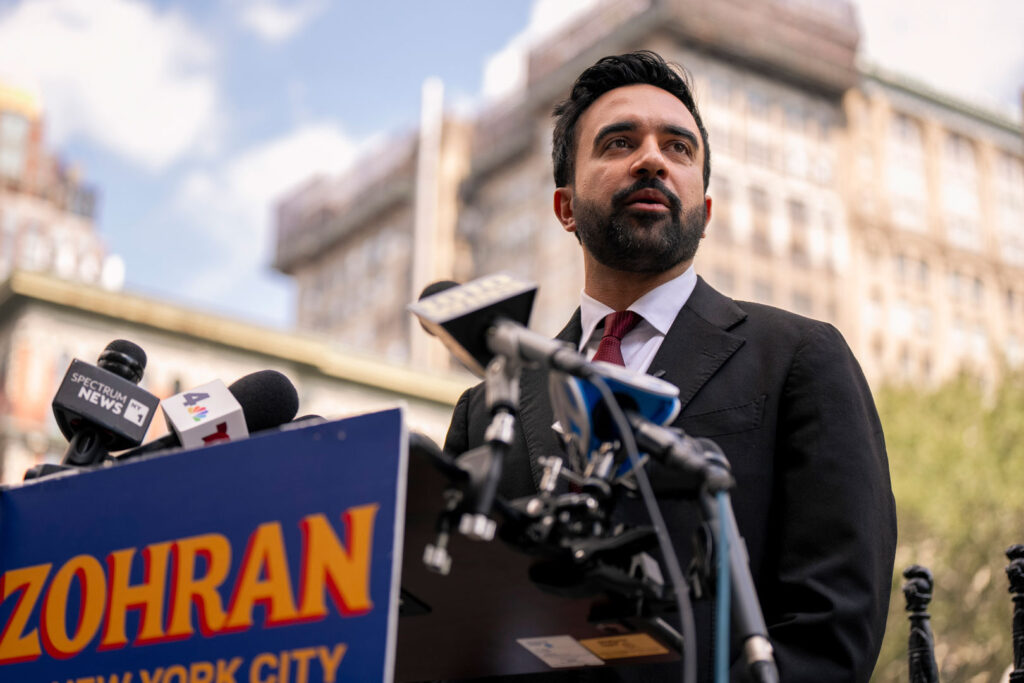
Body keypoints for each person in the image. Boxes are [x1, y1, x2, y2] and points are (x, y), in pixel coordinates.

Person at [444, 50, 897, 682]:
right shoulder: (486, 407)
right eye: (619, 142)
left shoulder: (801, 357)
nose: (652, 159)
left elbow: (832, 627)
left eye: (678, 147)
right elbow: (449, 620)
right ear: (565, 207)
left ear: (704, 213)